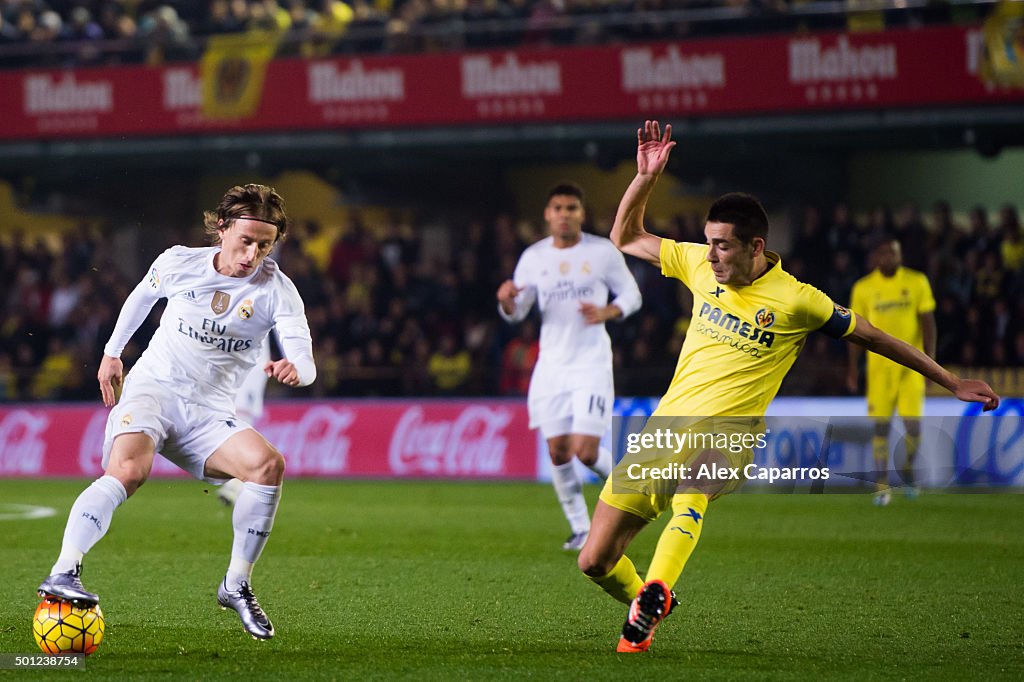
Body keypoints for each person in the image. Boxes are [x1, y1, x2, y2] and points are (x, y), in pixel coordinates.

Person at [578, 120, 999, 653]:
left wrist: (951, 379)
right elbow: (625, 237)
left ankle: (658, 589)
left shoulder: (799, 299)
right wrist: (643, 179)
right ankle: (648, 601)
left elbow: (875, 337)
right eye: (708, 244)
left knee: (694, 489)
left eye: (723, 247)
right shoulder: (697, 265)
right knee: (595, 560)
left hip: (733, 430)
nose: (710, 256)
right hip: (666, 426)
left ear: (756, 246)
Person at [36, 184, 316, 641]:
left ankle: (236, 584)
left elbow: (305, 360)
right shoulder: (178, 262)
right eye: (245, 240)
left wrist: (295, 369)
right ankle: (65, 571)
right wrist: (112, 354)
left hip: (209, 413)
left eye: (264, 245)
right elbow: (140, 299)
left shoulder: (277, 291)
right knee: (128, 470)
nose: (253, 254)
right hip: (155, 388)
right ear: (222, 229)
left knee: (268, 466)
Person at [497, 183, 642, 551]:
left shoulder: (602, 252)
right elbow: (520, 311)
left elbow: (632, 294)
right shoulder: (533, 257)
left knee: (586, 451)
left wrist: (609, 310)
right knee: (558, 451)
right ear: (548, 214)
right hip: (551, 367)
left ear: (582, 213)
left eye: (572, 208)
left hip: (590, 364)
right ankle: (581, 528)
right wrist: (508, 302)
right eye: (558, 207)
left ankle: (636, 496)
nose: (565, 214)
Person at [847, 237, 936, 506]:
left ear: (900, 255)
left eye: (894, 252)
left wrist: (930, 361)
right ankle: (882, 484)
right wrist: (852, 367)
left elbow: (928, 322)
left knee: (914, 429)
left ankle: (907, 470)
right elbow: (855, 330)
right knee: (881, 428)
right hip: (879, 370)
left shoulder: (916, 281)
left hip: (911, 368)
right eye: (884, 253)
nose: (889, 257)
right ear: (876, 257)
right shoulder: (864, 288)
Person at [218, 335, 274, 506]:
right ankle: (237, 481)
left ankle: (238, 483)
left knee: (240, 424)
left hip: (251, 367)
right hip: (237, 365)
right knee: (232, 425)